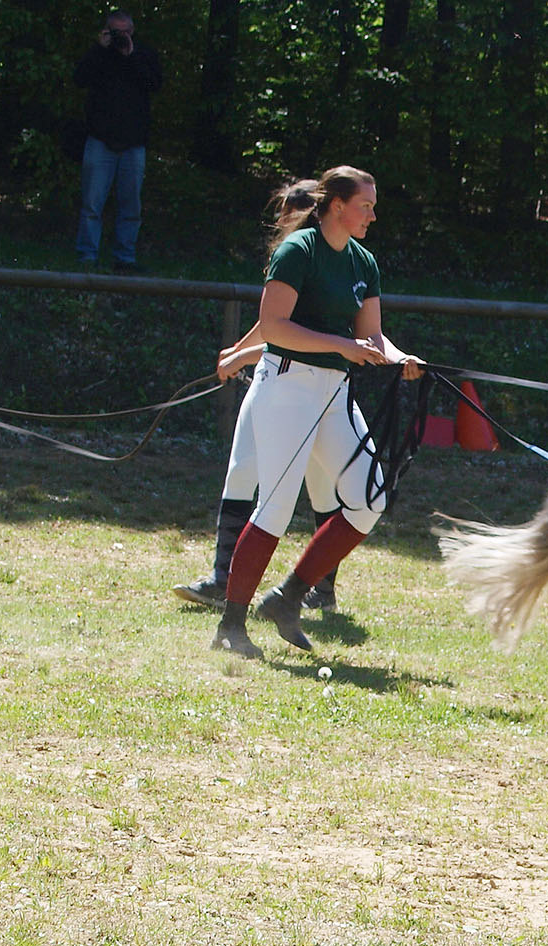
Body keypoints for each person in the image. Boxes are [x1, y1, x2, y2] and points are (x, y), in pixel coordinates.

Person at [210, 166, 423, 659]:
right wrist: (340, 345)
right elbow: (274, 327)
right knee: (276, 508)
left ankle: (288, 597)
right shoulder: (297, 251)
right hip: (286, 387)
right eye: (365, 205)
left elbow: (370, 336)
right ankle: (230, 624)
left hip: (333, 391)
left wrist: (397, 357)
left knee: (370, 499)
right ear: (336, 206)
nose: (372, 214)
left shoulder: (364, 261)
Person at [175, 182, 344, 613]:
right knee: (241, 470)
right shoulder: (292, 256)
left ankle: (320, 586)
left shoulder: (320, 262)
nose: (285, 223)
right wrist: (238, 352)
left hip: (310, 390)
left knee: (322, 490)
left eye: (292, 214)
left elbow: (295, 336)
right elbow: (270, 323)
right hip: (274, 383)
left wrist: (241, 356)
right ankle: (222, 578)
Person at [74, 9, 162, 271]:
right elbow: (79, 79)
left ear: (132, 32)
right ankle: (87, 256)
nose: (120, 38)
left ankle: (125, 257)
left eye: (125, 32)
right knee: (92, 203)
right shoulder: (99, 55)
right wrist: (99, 49)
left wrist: (131, 56)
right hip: (100, 140)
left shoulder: (144, 54)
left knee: (130, 206)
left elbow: (155, 84)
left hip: (134, 143)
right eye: (115, 32)